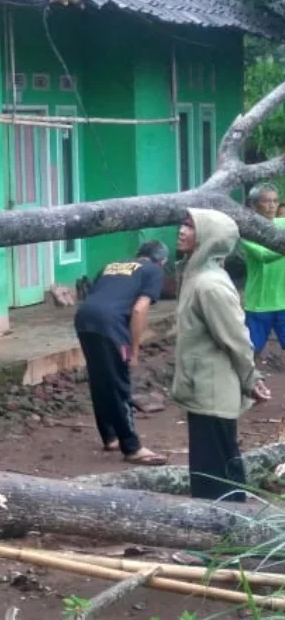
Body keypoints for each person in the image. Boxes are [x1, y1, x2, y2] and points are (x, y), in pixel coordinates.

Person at [174, 209, 271, 502]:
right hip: (203, 386)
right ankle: (225, 528)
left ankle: (226, 531)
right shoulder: (197, 276)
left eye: (190, 226)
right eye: (184, 224)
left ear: (210, 238)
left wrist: (251, 377)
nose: (181, 230)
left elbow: (236, 338)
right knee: (213, 466)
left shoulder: (210, 285)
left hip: (214, 391)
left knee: (215, 473)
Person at [73, 241, 169, 465]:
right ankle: (132, 447)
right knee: (119, 382)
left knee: (100, 378)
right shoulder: (153, 271)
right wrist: (134, 350)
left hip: (84, 317)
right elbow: (139, 309)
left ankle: (110, 436)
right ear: (162, 261)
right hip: (110, 323)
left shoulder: (112, 265)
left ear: (138, 254)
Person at [242, 183, 285, 360]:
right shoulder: (247, 230)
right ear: (254, 205)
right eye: (266, 201)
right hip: (259, 303)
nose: (272, 206)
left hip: (284, 301)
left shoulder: (282, 223)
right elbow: (264, 256)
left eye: (275, 201)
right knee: (251, 352)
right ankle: (248, 385)